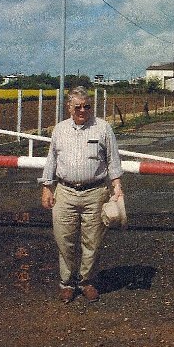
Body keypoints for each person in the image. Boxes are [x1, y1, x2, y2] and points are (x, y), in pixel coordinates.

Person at [41, 86, 123, 304]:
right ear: (69, 107)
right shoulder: (59, 130)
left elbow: (113, 160)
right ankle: (67, 283)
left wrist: (117, 187)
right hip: (65, 193)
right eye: (77, 106)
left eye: (86, 106)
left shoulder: (103, 128)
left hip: (95, 193)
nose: (82, 110)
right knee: (64, 240)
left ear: (91, 107)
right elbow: (52, 160)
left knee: (92, 242)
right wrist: (47, 187)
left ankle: (86, 282)